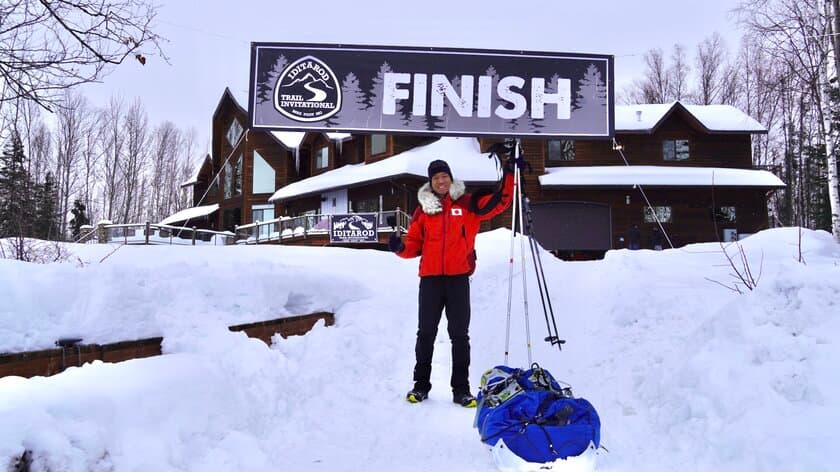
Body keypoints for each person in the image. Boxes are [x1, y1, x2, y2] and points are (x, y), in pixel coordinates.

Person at [389, 158, 516, 407]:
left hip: (458, 278)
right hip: (430, 281)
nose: (440, 181)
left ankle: (461, 390)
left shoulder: (467, 203)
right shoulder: (423, 210)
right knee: (425, 334)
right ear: (431, 182)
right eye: (436, 178)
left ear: (450, 177)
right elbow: (414, 244)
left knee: (460, 335)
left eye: (444, 176)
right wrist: (400, 247)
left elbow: (500, 203)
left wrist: (510, 173)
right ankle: (420, 386)